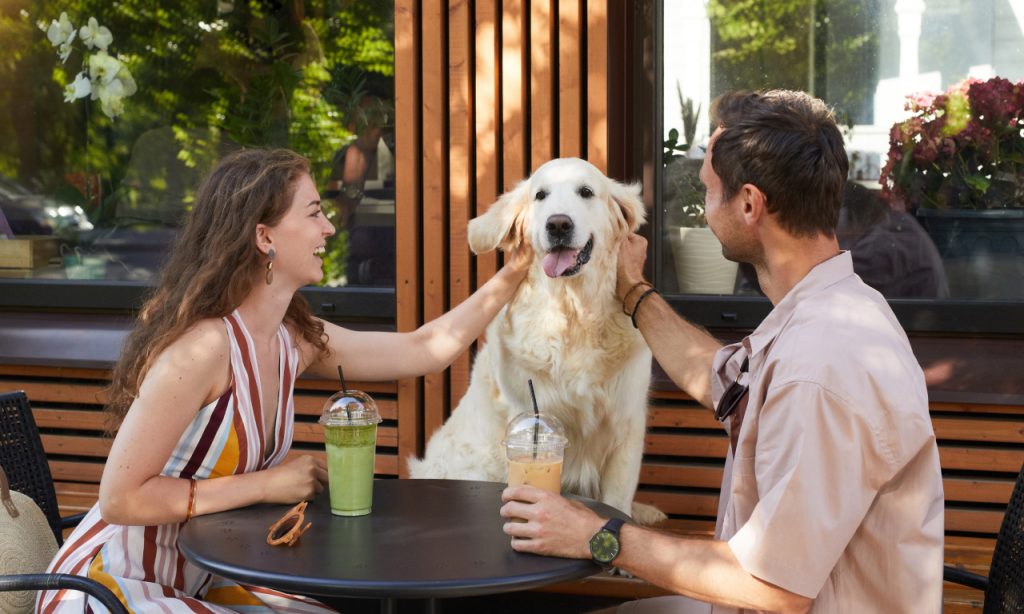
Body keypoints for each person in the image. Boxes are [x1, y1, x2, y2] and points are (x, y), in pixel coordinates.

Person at [499, 90, 945, 613]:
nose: (703, 209)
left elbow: (773, 587)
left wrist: (599, 534)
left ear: (750, 204)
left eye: (708, 192)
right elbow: (722, 379)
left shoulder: (821, 368)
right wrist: (633, 291)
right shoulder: (832, 307)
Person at [37, 148, 530, 613]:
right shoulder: (204, 349)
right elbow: (121, 499)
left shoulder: (293, 338)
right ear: (264, 237)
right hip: (109, 588)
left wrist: (515, 272)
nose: (331, 227)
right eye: (314, 213)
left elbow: (424, 349)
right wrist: (264, 484)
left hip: (200, 580)